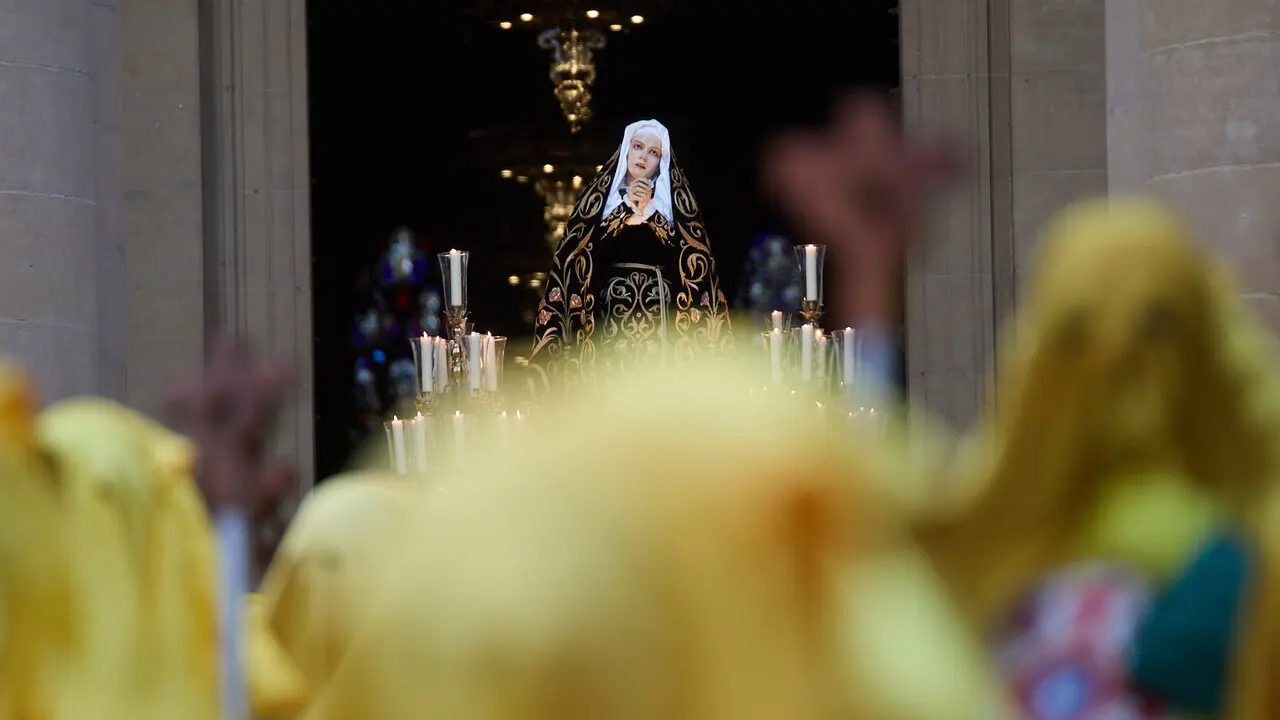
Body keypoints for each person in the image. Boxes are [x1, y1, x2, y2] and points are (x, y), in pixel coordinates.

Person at [527, 119, 733, 392]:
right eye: (638, 147)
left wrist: (649, 212)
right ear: (626, 150)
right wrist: (625, 209)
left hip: (660, 318)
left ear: (660, 161)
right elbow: (580, 253)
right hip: (609, 314)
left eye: (653, 152)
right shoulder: (599, 200)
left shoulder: (674, 205)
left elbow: (692, 260)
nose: (643, 156)